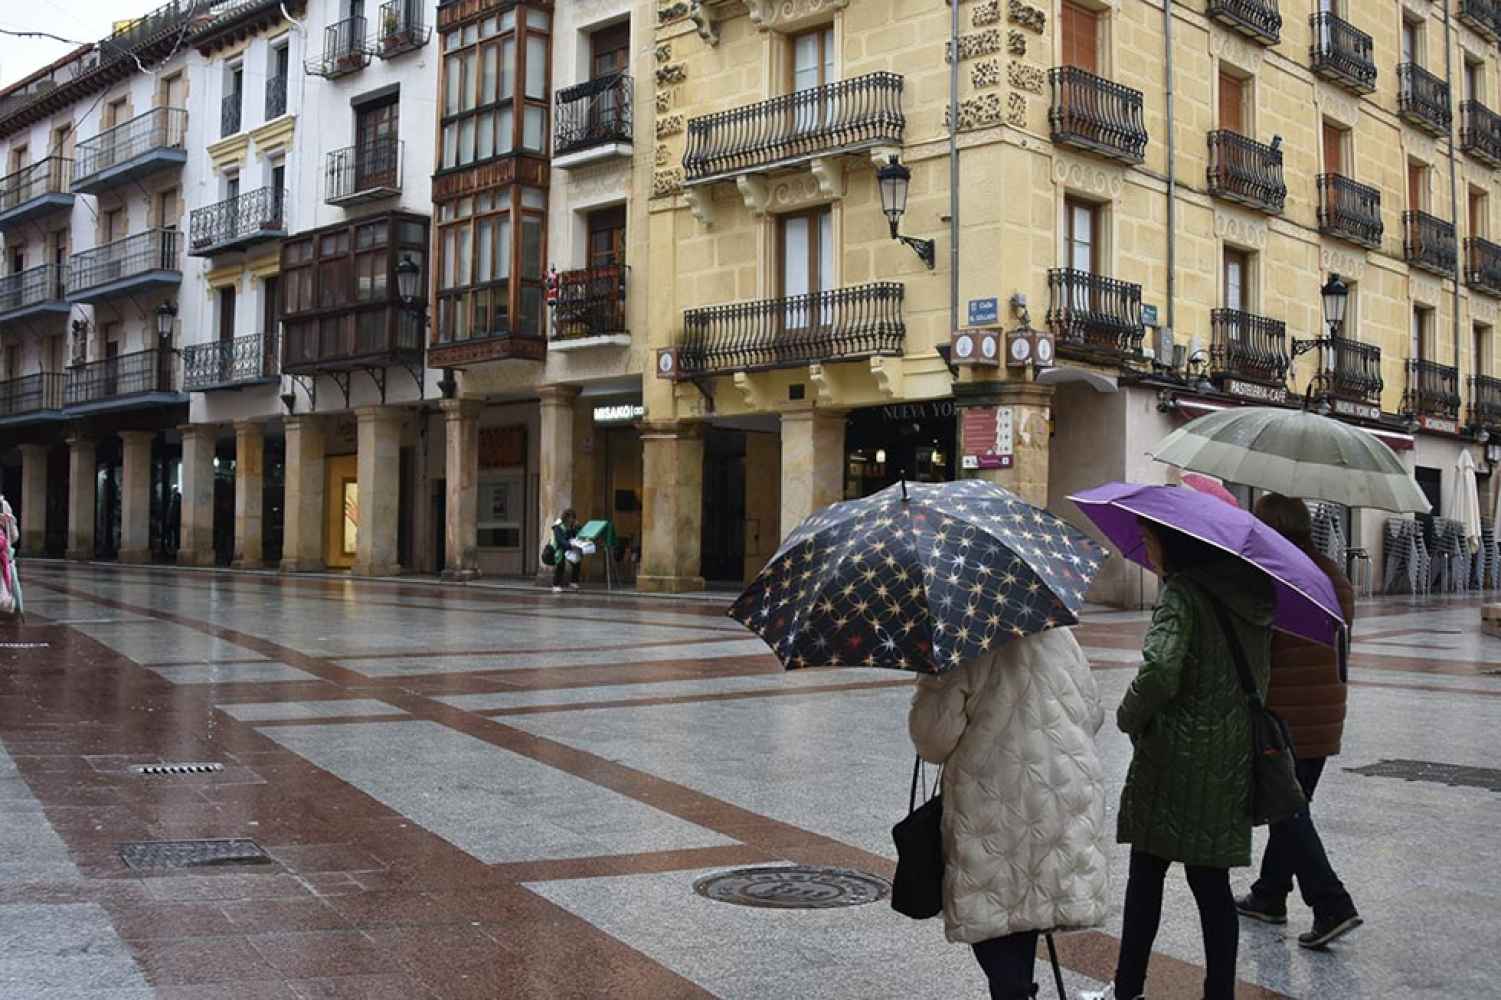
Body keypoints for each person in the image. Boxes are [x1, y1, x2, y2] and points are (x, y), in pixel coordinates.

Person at [1081, 521, 1275, 1000]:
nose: (1147, 552)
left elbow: (1162, 670)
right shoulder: (1250, 597)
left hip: (1173, 761)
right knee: (1212, 888)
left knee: (1146, 879)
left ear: (1175, 546)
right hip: (1226, 760)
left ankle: (1127, 990)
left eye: (1151, 543)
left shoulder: (1182, 595)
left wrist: (1128, 715)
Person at [909, 627, 1110, 1000]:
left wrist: (928, 686)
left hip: (992, 800)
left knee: (992, 909)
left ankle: (1015, 991)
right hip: (1061, 791)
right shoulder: (1059, 634)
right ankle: (1019, 989)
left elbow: (934, 739)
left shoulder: (958, 640)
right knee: (1025, 899)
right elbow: (1093, 712)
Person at [1236, 494, 1362, 949]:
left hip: (1286, 717)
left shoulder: (1279, 578)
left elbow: (1261, 651)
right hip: (1326, 715)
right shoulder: (1333, 574)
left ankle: (1332, 903)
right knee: (1291, 804)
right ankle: (1269, 895)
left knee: (1287, 810)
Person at [549, 508, 580, 593]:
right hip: (558, 548)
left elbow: (576, 534)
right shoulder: (558, 526)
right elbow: (560, 539)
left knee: (576, 561)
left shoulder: (572, 525)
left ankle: (574, 582)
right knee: (560, 564)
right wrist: (569, 545)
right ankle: (556, 585)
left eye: (573, 518)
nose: (571, 520)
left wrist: (577, 527)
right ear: (565, 517)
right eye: (570, 518)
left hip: (569, 547)